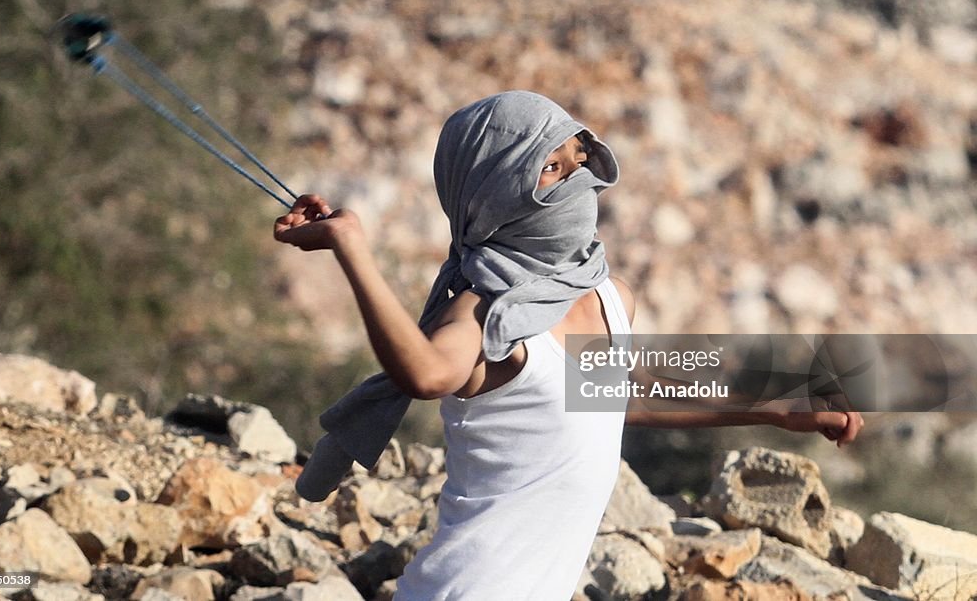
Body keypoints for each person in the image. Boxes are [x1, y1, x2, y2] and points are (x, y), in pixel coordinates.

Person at [273, 90, 864, 600]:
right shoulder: (486, 313)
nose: (579, 180)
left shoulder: (608, 295)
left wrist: (776, 407)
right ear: (498, 194)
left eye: (577, 160)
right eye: (550, 171)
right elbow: (426, 374)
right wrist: (352, 248)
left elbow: (621, 400)